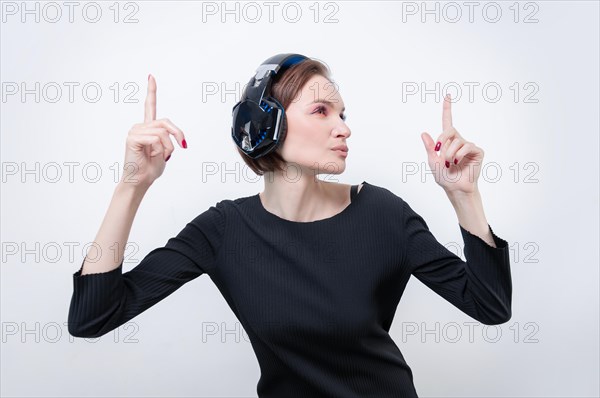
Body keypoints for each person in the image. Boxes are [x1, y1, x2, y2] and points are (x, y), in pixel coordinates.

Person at [68, 54, 512, 398]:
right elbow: (92, 316)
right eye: (321, 111)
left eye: (343, 113)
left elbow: (490, 307)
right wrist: (131, 187)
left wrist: (464, 196)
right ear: (265, 124)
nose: (344, 128)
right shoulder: (224, 230)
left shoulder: (384, 214)